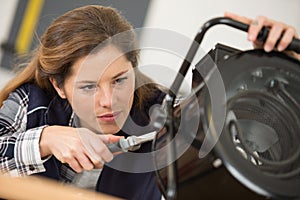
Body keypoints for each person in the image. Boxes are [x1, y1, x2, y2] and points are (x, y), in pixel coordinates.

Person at [0, 5, 299, 200]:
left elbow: (252, 138)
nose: (109, 101)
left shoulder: (166, 116)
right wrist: (45, 139)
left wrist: (281, 65)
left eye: (119, 80)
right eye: (89, 86)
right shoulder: (31, 104)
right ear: (59, 86)